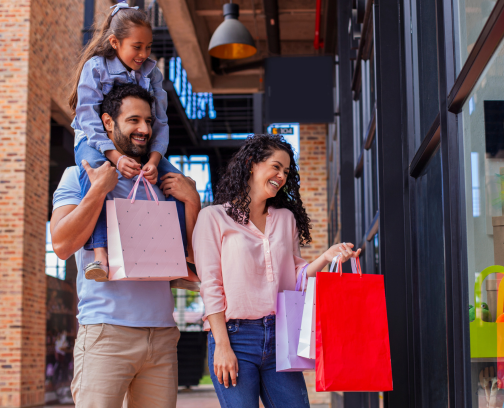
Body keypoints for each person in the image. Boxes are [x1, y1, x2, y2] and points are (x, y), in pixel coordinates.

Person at [50, 84, 201, 408]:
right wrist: (98, 191)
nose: (144, 129)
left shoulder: (162, 181)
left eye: (148, 121)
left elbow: (192, 258)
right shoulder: (78, 176)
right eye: (134, 120)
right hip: (106, 335)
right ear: (107, 122)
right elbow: (61, 244)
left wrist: (193, 202)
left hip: (161, 335)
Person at [192, 134, 361, 407]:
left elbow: (294, 278)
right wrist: (222, 345)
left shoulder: (285, 219)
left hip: (280, 337)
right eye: (275, 166)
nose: (281, 175)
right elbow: (210, 285)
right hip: (235, 337)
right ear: (251, 164)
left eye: (286, 171)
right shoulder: (213, 218)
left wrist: (326, 257)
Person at [69, 1, 185, 280]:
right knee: (96, 177)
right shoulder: (96, 67)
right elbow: (88, 117)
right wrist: (116, 158)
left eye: (148, 46)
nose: (144, 54)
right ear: (114, 42)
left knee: (180, 185)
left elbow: (159, 121)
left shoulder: (151, 72)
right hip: (94, 138)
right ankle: (100, 254)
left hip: (137, 143)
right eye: (137, 47)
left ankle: (183, 258)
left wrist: (155, 160)